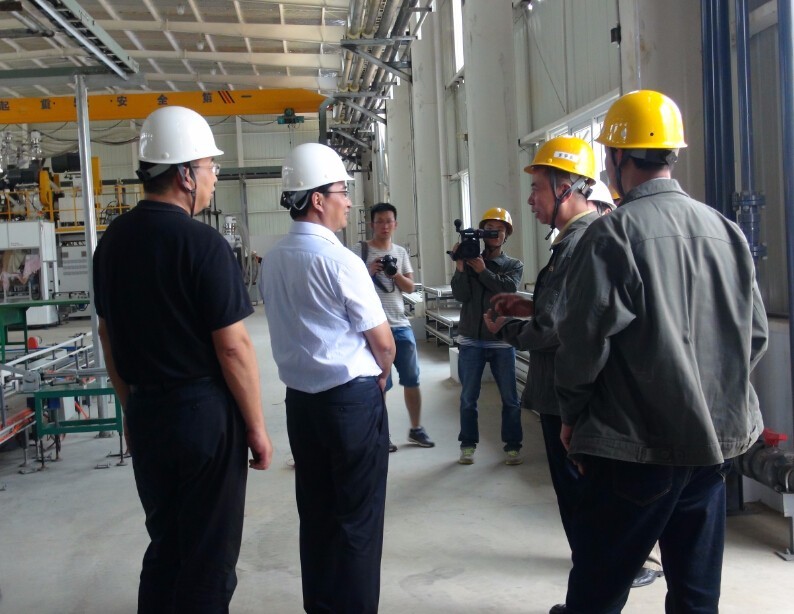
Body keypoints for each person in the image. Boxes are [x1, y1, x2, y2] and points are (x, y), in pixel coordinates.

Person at [553, 90, 769, 613]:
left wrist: (571, 415)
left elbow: (583, 345)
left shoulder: (613, 235)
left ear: (617, 157)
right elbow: (755, 336)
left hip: (635, 449)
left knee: (599, 588)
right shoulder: (727, 231)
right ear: (672, 154)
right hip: (710, 449)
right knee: (695, 594)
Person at [93, 105, 273, 613]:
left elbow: (108, 335)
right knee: (207, 558)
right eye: (210, 167)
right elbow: (233, 347)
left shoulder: (112, 243)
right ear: (185, 175)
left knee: (167, 546)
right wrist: (256, 427)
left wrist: (131, 408)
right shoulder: (203, 244)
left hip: (147, 414)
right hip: (202, 416)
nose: (214, 177)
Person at [260, 142, 395, 613]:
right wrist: (382, 376)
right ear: (317, 199)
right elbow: (383, 343)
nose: (349, 202)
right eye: (342, 192)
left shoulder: (274, 259)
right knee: (357, 520)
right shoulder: (341, 261)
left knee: (316, 516)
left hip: (301, 404)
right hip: (350, 403)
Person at [351, 202, 434, 452]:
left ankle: (416, 429)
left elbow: (410, 287)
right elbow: (350, 286)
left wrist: (395, 274)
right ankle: (382, 434)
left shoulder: (400, 252)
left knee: (412, 379)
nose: (385, 226)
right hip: (374, 329)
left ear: (395, 224)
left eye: (389, 221)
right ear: (371, 224)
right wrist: (369, 271)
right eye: (380, 221)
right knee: (380, 384)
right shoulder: (360, 250)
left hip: (400, 324)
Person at [450, 207, 524, 465]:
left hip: (502, 340)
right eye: (489, 229)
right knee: (468, 398)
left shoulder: (514, 265)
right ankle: (467, 445)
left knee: (510, 399)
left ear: (506, 235)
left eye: (499, 230)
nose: (494, 234)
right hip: (471, 339)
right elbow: (461, 295)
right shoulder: (469, 261)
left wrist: (483, 271)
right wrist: (461, 267)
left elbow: (508, 290)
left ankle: (513, 446)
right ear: (480, 233)